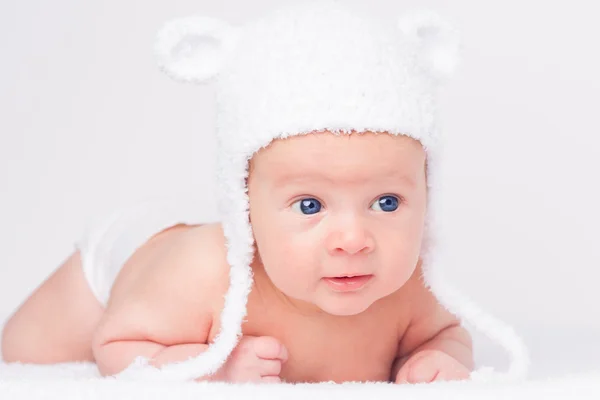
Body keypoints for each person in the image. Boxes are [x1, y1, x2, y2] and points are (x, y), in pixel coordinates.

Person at [1, 0, 529, 384]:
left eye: (386, 203)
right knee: (20, 356)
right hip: (130, 255)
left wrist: (435, 359)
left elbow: (448, 335)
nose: (353, 239)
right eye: (310, 205)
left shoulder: (408, 289)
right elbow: (115, 343)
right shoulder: (203, 279)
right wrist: (210, 370)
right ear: (244, 206)